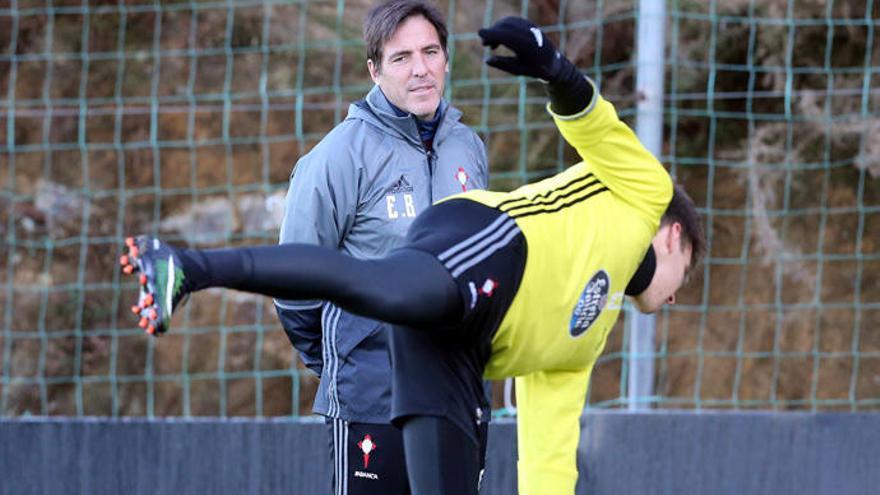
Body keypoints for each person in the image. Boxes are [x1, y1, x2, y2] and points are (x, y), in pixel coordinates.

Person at [120, 16, 704, 495]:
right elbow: (598, 131)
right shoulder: (645, 193)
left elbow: (549, 461)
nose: (676, 294)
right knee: (378, 286)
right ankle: (188, 268)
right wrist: (556, 70)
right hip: (472, 264)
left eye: (431, 52)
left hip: (453, 353)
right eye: (402, 57)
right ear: (673, 236)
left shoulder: (585, 336)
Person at [275, 1, 487, 494]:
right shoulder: (338, 156)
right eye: (401, 57)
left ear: (447, 59)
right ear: (374, 69)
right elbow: (293, 284)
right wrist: (348, 357)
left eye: (431, 51)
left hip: (457, 396)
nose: (421, 69)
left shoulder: (468, 149)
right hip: (373, 400)